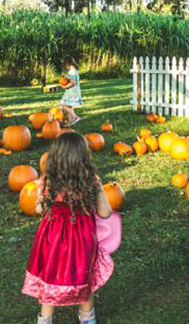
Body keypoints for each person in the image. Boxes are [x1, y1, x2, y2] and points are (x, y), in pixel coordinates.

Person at [22, 132, 116, 324]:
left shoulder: (48, 181)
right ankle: (87, 319)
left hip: (52, 239)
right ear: (83, 156)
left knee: (51, 277)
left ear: (55, 156)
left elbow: (39, 208)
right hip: (82, 239)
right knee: (84, 278)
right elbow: (105, 212)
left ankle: (45, 320)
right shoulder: (91, 181)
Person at [59, 56, 83, 125]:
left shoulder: (71, 72)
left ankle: (74, 117)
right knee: (69, 105)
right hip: (75, 91)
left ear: (67, 64)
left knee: (63, 104)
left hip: (71, 92)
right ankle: (71, 119)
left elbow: (72, 82)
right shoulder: (75, 70)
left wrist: (64, 86)